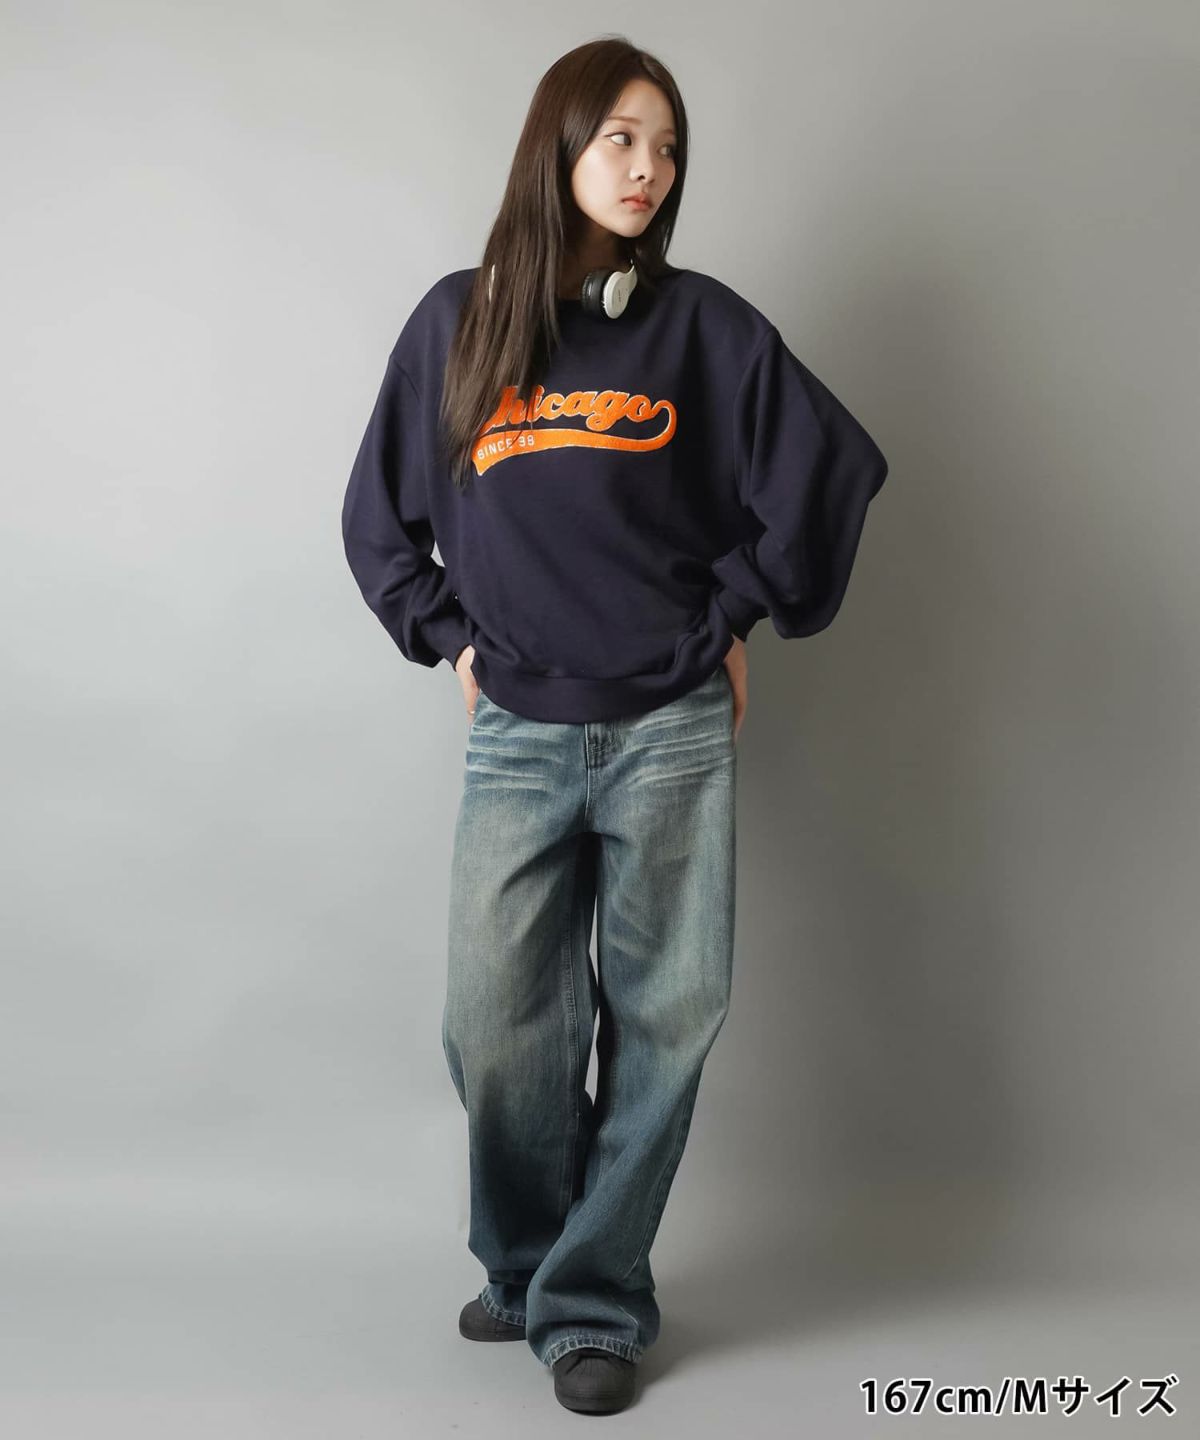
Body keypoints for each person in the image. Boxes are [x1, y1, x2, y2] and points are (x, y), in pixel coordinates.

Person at [341, 35, 888, 1417]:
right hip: (520, 731)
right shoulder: (459, 324)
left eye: (669, 146)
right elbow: (379, 523)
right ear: (560, 147)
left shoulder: (702, 329)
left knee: (667, 1019)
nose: (650, 168)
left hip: (672, 730)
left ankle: (593, 1303)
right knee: (496, 1026)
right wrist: (450, 636)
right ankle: (529, 1263)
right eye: (622, 139)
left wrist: (737, 616)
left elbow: (825, 470)